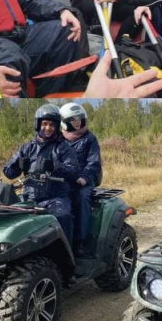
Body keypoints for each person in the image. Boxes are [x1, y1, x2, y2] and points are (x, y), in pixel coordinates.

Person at [1, 103, 80, 245]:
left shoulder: (63, 147)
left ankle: (66, 257)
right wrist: (17, 165)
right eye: (44, 124)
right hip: (29, 197)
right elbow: (8, 172)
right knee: (8, 220)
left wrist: (55, 167)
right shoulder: (27, 147)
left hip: (56, 197)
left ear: (56, 126)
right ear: (38, 124)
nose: (48, 128)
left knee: (62, 216)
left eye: (51, 124)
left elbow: (74, 171)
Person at [59, 102, 102, 256]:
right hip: (62, 179)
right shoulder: (58, 140)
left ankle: (80, 241)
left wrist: (84, 177)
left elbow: (93, 162)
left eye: (79, 120)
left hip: (85, 178)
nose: (77, 124)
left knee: (82, 197)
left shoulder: (89, 138)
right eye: (73, 121)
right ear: (64, 123)